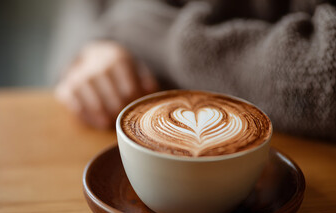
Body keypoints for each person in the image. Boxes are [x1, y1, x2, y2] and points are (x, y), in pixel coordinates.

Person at [55, 0, 336, 141]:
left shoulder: (146, 33)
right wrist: (89, 45)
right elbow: (85, 9)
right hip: (126, 121)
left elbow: (326, 65)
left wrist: (157, 38)